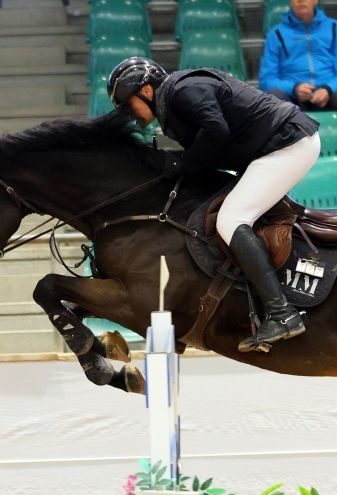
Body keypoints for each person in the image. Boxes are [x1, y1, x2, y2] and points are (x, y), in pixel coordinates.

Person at [107, 57, 321, 352]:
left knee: (231, 219)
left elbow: (215, 130)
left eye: (127, 104)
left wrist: (184, 163)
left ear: (145, 91)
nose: (128, 114)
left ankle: (282, 313)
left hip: (288, 144)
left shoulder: (182, 92)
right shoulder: (174, 99)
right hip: (276, 146)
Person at [259, 0, 337, 167]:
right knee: (274, 95)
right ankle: (282, 163)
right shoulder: (276, 33)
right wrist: (294, 88)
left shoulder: (334, 28)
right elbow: (267, 79)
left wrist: (328, 89)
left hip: (329, 90)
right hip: (294, 95)